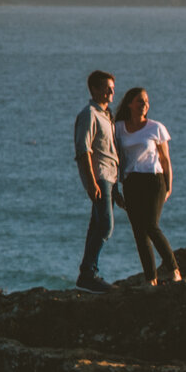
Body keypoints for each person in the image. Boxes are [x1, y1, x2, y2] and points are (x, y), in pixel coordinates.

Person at [112, 86, 181, 284]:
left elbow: (165, 160)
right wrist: (115, 188)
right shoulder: (118, 128)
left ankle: (174, 269)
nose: (145, 105)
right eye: (140, 101)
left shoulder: (156, 127)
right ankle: (151, 278)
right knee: (139, 233)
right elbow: (115, 159)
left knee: (151, 225)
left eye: (147, 101)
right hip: (131, 182)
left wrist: (168, 186)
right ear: (130, 104)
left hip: (154, 180)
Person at [71, 70, 119, 290]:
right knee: (105, 227)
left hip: (109, 176)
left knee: (96, 225)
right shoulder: (90, 114)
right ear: (95, 90)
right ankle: (89, 273)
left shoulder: (106, 115)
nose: (112, 91)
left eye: (112, 88)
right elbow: (84, 150)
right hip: (99, 176)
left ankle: (87, 273)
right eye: (107, 88)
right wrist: (91, 182)